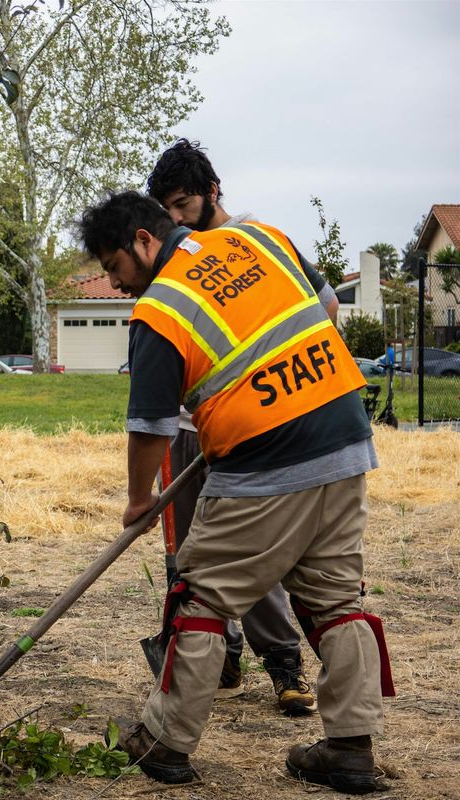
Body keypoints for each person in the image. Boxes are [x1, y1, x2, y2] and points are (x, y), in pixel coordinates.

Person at [80, 191, 391, 793]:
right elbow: (324, 308)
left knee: (202, 600)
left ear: (145, 241)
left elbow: (150, 426)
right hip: (346, 439)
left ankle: (165, 743)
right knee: (337, 602)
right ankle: (352, 748)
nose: (117, 286)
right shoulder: (259, 239)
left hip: (265, 466)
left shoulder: (162, 309)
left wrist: (139, 500)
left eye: (115, 268)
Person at [143, 138, 338, 715]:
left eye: (184, 204)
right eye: (167, 210)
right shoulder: (174, 259)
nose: (176, 219)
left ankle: (283, 665)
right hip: (185, 427)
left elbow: (324, 308)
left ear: (213, 190)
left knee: (251, 548)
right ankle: (215, 659)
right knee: (188, 554)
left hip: (252, 426)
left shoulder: (257, 240)